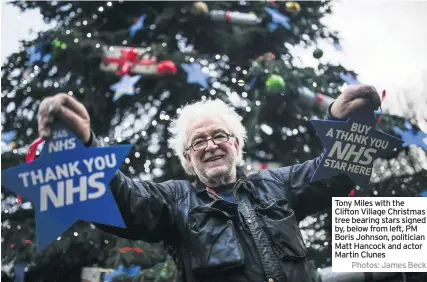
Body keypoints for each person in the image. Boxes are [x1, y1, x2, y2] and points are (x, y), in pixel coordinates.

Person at [37, 85, 381, 282]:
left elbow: (338, 171)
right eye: (198, 142)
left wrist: (347, 122)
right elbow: (123, 199)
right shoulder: (174, 200)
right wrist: (85, 147)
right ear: (188, 159)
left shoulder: (278, 184)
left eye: (219, 136)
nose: (211, 145)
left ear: (238, 145)